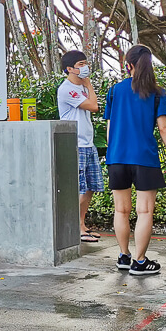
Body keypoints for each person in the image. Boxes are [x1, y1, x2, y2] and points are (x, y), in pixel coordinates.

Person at [104, 45, 166, 275]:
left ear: (129, 65)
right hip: (144, 157)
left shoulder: (115, 91)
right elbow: (163, 127)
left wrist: (113, 150)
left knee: (121, 210)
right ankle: (140, 261)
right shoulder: (156, 92)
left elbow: (109, 128)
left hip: (116, 157)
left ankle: (124, 256)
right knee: (144, 211)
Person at [57, 50, 103, 243]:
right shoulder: (67, 89)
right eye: (81, 64)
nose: (85, 68)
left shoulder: (82, 88)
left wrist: (87, 86)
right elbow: (94, 106)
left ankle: (82, 224)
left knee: (91, 187)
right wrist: (89, 84)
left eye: (86, 63)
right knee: (79, 188)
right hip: (75, 144)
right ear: (69, 69)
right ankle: (75, 227)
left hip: (88, 143)